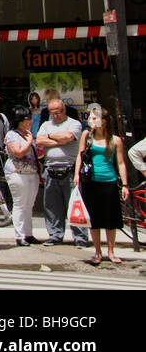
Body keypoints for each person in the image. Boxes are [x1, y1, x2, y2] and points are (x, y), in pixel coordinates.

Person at [74, 107, 129, 265]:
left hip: (109, 181)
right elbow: (81, 156)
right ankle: (97, 251)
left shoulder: (115, 140)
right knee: (94, 219)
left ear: (103, 121)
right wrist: (77, 174)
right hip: (91, 181)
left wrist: (124, 184)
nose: (90, 121)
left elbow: (120, 163)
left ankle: (111, 251)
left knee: (110, 219)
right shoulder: (87, 136)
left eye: (93, 118)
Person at [35, 97, 89, 246]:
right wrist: (59, 140)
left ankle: (80, 238)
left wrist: (50, 136)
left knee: (75, 205)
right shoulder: (46, 124)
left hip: (70, 169)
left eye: (58, 112)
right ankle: (55, 235)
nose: (55, 116)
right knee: (52, 206)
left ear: (64, 110)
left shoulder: (74, 124)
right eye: (52, 113)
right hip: (50, 169)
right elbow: (39, 140)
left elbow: (68, 137)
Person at [4, 106, 41, 246]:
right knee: (20, 204)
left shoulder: (28, 133)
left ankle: (28, 233)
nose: (30, 121)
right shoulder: (12, 135)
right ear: (19, 120)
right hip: (17, 173)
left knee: (29, 204)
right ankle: (19, 235)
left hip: (32, 173)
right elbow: (19, 152)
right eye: (27, 118)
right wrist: (29, 141)